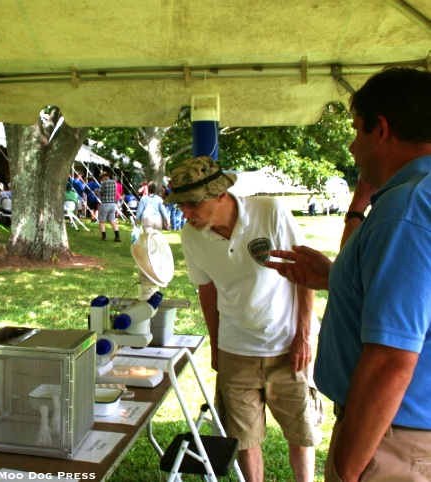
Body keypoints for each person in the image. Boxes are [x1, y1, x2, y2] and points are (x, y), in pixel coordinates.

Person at [265, 67, 431, 482]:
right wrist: (337, 277)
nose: (353, 147)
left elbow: (391, 361)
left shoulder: (407, 211)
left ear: (383, 130)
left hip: (392, 439)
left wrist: (347, 468)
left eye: (358, 131)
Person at [163, 156, 321, 482]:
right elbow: (206, 291)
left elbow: (303, 273)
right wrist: (217, 346)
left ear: (220, 193)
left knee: (301, 433)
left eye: (193, 204)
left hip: (288, 345)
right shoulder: (192, 236)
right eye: (181, 205)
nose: (185, 213)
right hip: (236, 350)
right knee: (244, 438)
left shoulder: (270, 212)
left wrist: (303, 337)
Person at [97, 172, 121, 242]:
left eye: (101, 178)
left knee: (101, 221)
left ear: (104, 177)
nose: (101, 179)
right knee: (112, 220)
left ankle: (104, 236)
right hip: (112, 204)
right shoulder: (114, 183)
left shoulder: (103, 183)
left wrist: (96, 191)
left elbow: (99, 192)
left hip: (104, 204)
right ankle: (117, 237)